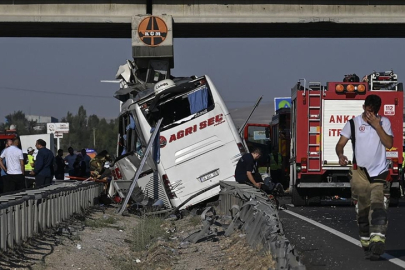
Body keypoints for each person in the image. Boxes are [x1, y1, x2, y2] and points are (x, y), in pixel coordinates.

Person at [335, 94, 392, 261]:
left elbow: (389, 144)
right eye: (368, 111)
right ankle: (366, 243)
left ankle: (377, 243)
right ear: (364, 107)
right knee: (364, 211)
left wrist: (377, 126)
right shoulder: (353, 124)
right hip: (360, 173)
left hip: (379, 172)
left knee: (378, 208)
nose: (370, 115)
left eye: (373, 112)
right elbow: (340, 144)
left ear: (378, 111)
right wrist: (340, 155)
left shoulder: (384, 122)